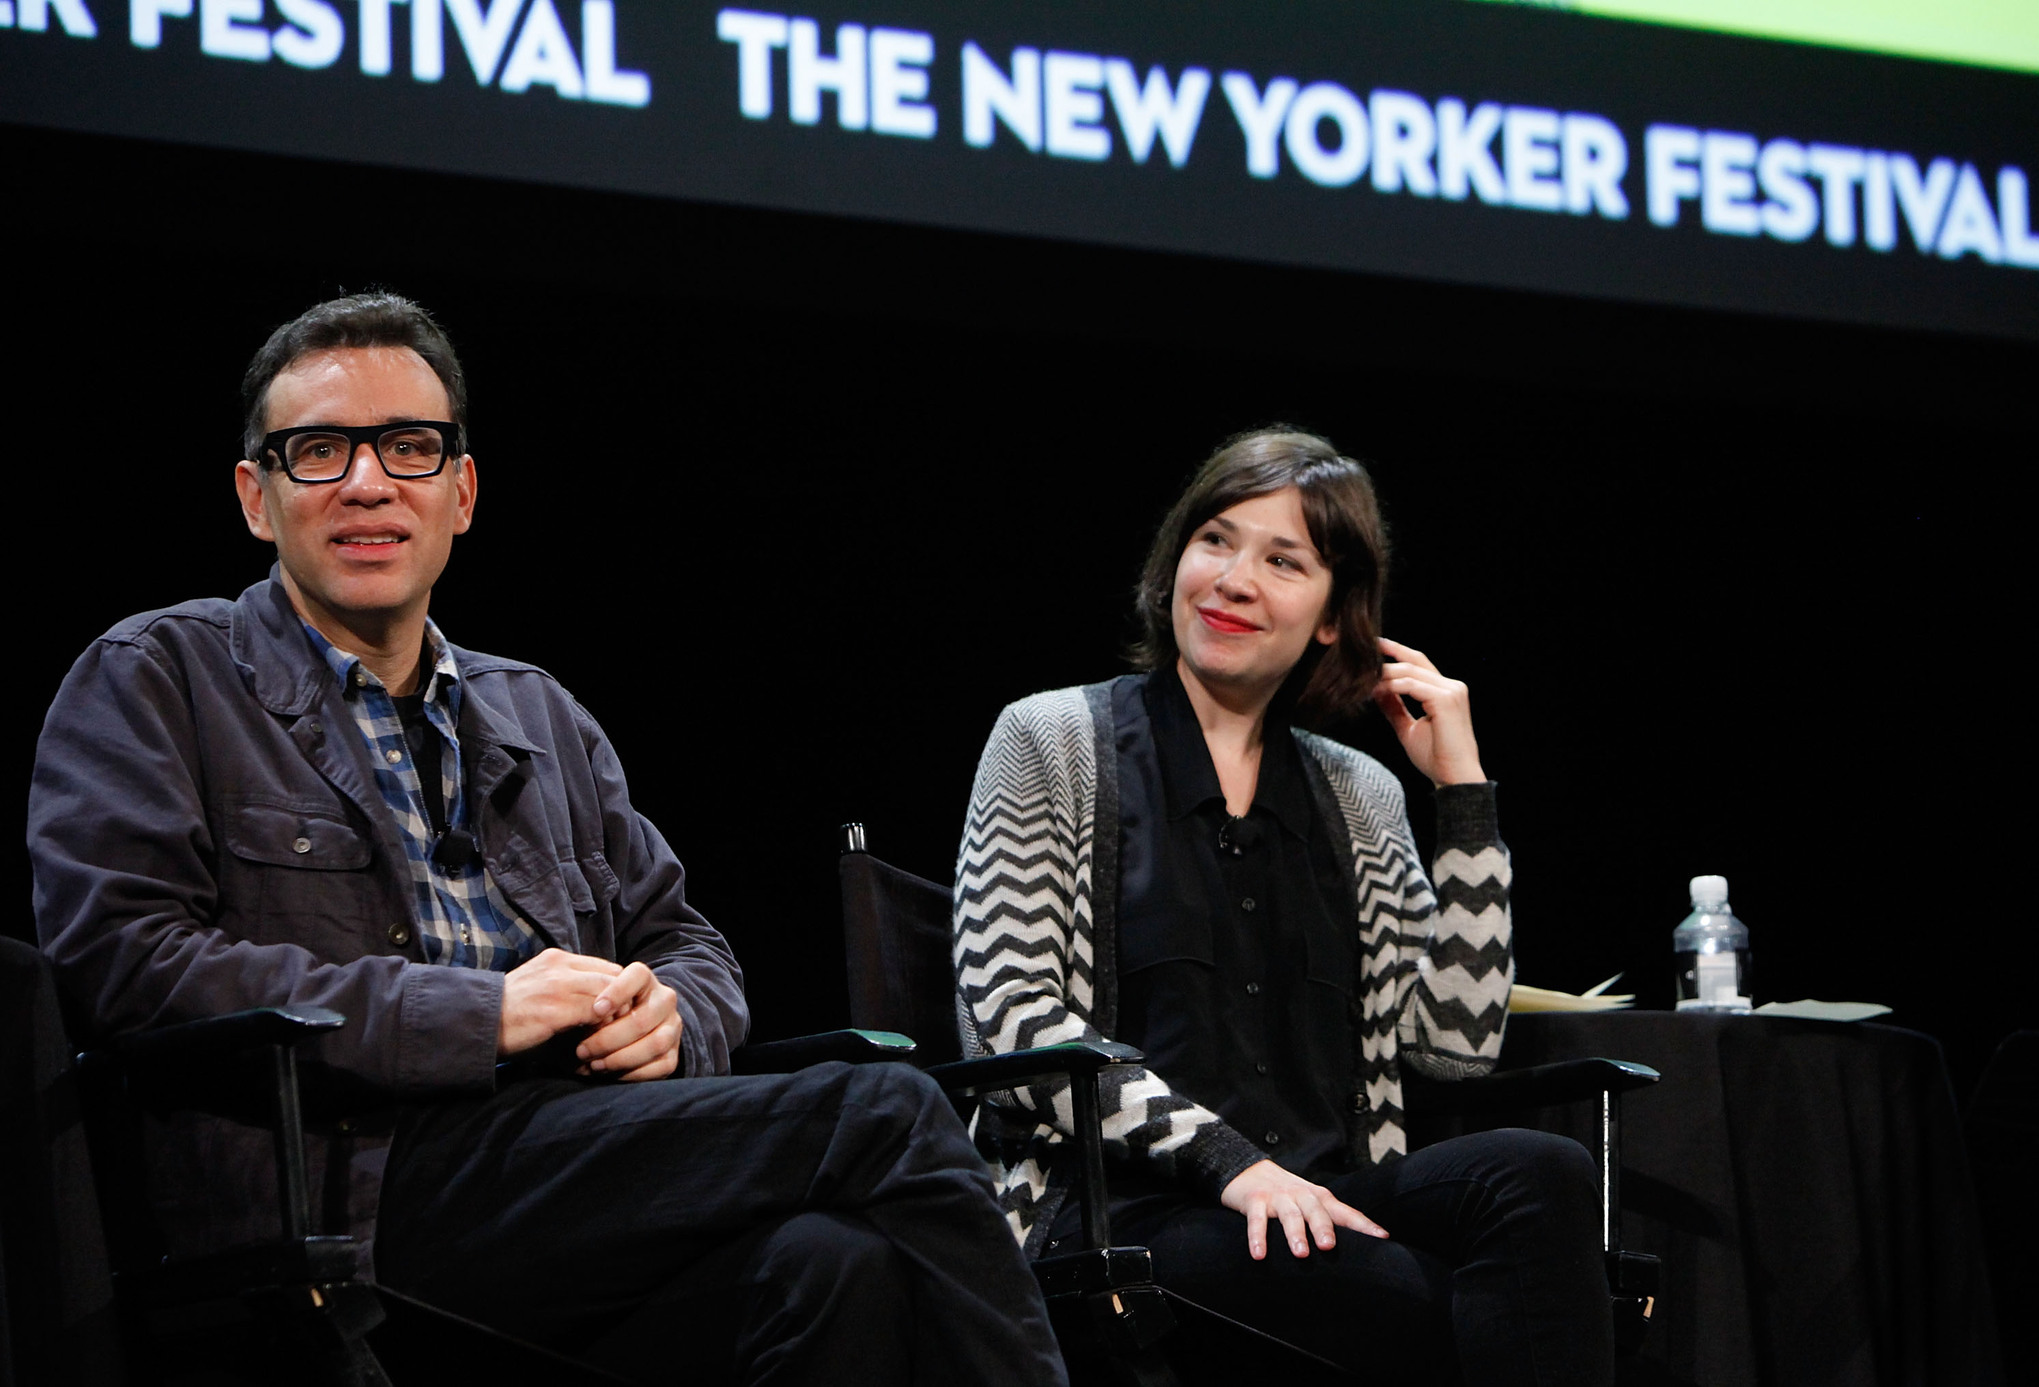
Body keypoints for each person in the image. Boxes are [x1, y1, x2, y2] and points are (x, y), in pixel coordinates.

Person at [28, 293, 1067, 1387]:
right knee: (883, 1106)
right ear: (257, 495)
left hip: (570, 1163)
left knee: (827, 1266)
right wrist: (478, 1013)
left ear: (460, 491)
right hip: (351, 1185)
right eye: (319, 451)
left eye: (409, 449)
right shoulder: (157, 677)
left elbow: (686, 941)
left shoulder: (538, 714)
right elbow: (126, 964)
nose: (368, 483)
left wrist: (678, 1020)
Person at [952, 428, 1612, 1384]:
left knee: (1540, 1175)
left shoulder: (1362, 794)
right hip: (1122, 1217)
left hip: (1327, 1197)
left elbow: (1453, 1044)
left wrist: (1463, 798)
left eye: (1282, 560)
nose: (1232, 579)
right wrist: (1231, 1163)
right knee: (1470, 1305)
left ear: (1336, 616)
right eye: (1215, 540)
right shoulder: (1050, 740)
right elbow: (1010, 1026)